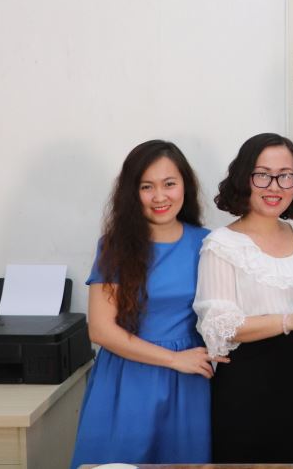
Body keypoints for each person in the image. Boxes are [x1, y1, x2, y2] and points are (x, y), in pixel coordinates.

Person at [70, 140, 224, 467]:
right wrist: (173, 359)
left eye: (169, 184)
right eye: (146, 187)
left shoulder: (209, 243)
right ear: (132, 192)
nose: (159, 196)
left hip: (189, 381)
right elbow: (100, 330)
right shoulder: (115, 246)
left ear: (185, 186)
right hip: (128, 377)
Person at [194, 133, 293, 463]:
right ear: (244, 178)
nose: (275, 187)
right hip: (247, 379)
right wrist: (290, 319)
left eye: (285, 176)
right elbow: (219, 326)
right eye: (263, 175)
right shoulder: (222, 244)